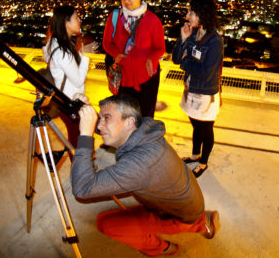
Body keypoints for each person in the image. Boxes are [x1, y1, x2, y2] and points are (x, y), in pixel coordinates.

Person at [71, 94, 220, 256]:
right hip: (184, 199)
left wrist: (85, 134)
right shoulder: (143, 130)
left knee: (105, 224)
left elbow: (83, 188)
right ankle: (201, 220)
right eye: (100, 119)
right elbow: (112, 131)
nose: (99, 125)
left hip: (177, 214)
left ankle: (163, 247)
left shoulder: (139, 164)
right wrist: (86, 112)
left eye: (106, 118)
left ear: (129, 122)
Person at [172, 0, 223, 178]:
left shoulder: (215, 41)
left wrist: (186, 61)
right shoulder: (193, 34)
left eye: (191, 13)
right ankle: (195, 154)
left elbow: (206, 73)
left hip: (206, 95)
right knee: (196, 125)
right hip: (190, 90)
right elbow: (176, 59)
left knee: (205, 129)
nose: (187, 16)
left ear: (202, 15)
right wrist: (183, 39)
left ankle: (203, 163)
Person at [102, 0, 165, 118]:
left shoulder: (152, 20)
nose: (126, 1)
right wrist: (117, 54)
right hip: (123, 76)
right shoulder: (115, 17)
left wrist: (152, 58)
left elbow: (160, 47)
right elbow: (106, 43)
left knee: (145, 116)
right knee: (125, 117)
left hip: (146, 77)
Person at [43, 5, 89, 149]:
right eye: (76, 18)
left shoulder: (54, 42)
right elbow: (78, 79)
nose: (79, 20)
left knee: (75, 136)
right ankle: (80, 168)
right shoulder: (63, 52)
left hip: (64, 99)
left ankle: (81, 163)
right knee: (77, 140)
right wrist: (84, 57)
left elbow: (46, 55)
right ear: (66, 23)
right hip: (71, 103)